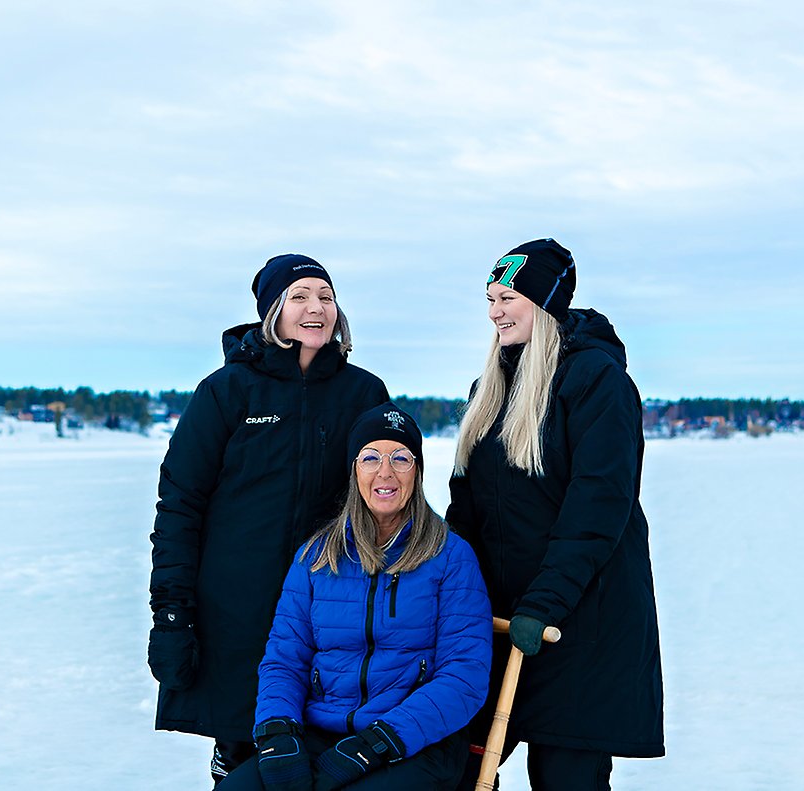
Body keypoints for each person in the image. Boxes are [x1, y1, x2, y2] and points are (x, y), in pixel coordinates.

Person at [148, 254, 391, 785]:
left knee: (322, 751)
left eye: (325, 297)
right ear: (272, 312)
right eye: (299, 297)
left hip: (329, 603)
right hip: (237, 608)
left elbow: (387, 495)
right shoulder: (228, 391)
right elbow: (180, 505)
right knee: (242, 753)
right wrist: (170, 615)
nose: (315, 308)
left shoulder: (362, 393)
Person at [446, 239, 665, 790]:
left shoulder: (595, 381)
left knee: (563, 776)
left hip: (579, 624)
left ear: (544, 302)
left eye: (509, 297)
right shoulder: (489, 390)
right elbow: (466, 508)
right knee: (460, 769)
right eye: (490, 298)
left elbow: (598, 506)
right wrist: (453, 590)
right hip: (503, 623)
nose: (495, 311)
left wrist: (543, 604)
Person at [220, 402, 492, 791]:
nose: (385, 472)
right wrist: (278, 734)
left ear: (417, 471)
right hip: (323, 731)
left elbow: (464, 675)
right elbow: (284, 659)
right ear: (354, 471)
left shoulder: (450, 556)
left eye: (401, 458)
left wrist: (378, 743)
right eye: (370, 458)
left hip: (415, 741)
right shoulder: (316, 556)